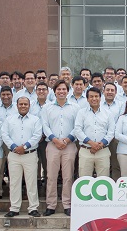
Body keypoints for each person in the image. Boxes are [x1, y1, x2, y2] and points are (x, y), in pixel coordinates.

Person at [42, 79, 79, 217]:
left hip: (69, 145)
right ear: (54, 91)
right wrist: (55, 140)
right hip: (52, 145)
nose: (61, 91)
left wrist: (67, 139)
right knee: (51, 176)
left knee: (68, 176)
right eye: (58, 89)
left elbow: (78, 126)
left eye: (64, 89)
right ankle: (51, 205)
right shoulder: (47, 107)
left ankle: (67, 204)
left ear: (68, 91)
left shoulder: (75, 107)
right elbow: (45, 126)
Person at [2, 96, 43, 218]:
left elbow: (37, 135)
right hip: (14, 155)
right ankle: (14, 208)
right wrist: (15, 146)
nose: (23, 106)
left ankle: (33, 208)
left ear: (29, 106)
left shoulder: (35, 120)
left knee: (31, 182)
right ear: (17, 105)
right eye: (21, 104)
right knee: (14, 182)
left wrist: (24, 147)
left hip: (29, 154)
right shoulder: (9, 119)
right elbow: (5, 134)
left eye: (25, 104)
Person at [74, 87, 116, 178]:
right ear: (87, 99)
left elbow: (111, 131)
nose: (94, 99)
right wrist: (91, 143)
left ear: (100, 98)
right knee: (84, 180)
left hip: (103, 150)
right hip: (86, 150)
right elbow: (78, 130)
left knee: (103, 180)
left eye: (96, 96)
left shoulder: (108, 113)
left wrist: (101, 144)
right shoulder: (81, 113)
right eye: (91, 97)